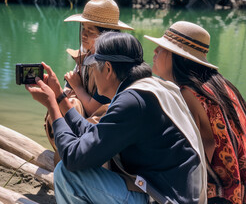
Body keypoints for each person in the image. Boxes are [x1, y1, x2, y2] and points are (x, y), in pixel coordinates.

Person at [26, 32, 207, 204]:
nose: (93, 73)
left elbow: (73, 159)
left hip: (161, 199)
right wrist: (59, 97)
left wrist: (52, 108)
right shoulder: (146, 90)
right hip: (167, 194)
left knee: (67, 174)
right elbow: (95, 135)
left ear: (108, 68)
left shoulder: (133, 101)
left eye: (93, 65)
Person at [144, 21, 246, 204]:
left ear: (180, 58)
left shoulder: (189, 94)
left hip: (223, 195)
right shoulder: (220, 85)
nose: (155, 51)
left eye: (163, 48)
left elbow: (200, 154)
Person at [45, 0, 133, 164]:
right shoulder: (85, 57)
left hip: (100, 123)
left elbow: (95, 107)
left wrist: (77, 88)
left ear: (107, 36)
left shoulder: (109, 68)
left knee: (70, 105)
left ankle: (72, 156)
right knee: (66, 103)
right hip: (86, 119)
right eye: (83, 28)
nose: (84, 34)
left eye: (91, 31)